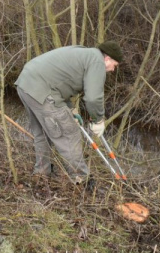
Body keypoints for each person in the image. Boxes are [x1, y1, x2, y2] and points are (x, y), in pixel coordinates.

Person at [15, 41, 123, 185]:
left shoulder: (85, 54)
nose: (112, 70)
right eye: (114, 65)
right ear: (107, 58)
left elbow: (60, 83)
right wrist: (98, 120)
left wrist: (71, 109)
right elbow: (93, 97)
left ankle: (41, 173)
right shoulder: (97, 61)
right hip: (42, 90)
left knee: (42, 133)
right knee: (69, 133)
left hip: (26, 84)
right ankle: (81, 179)